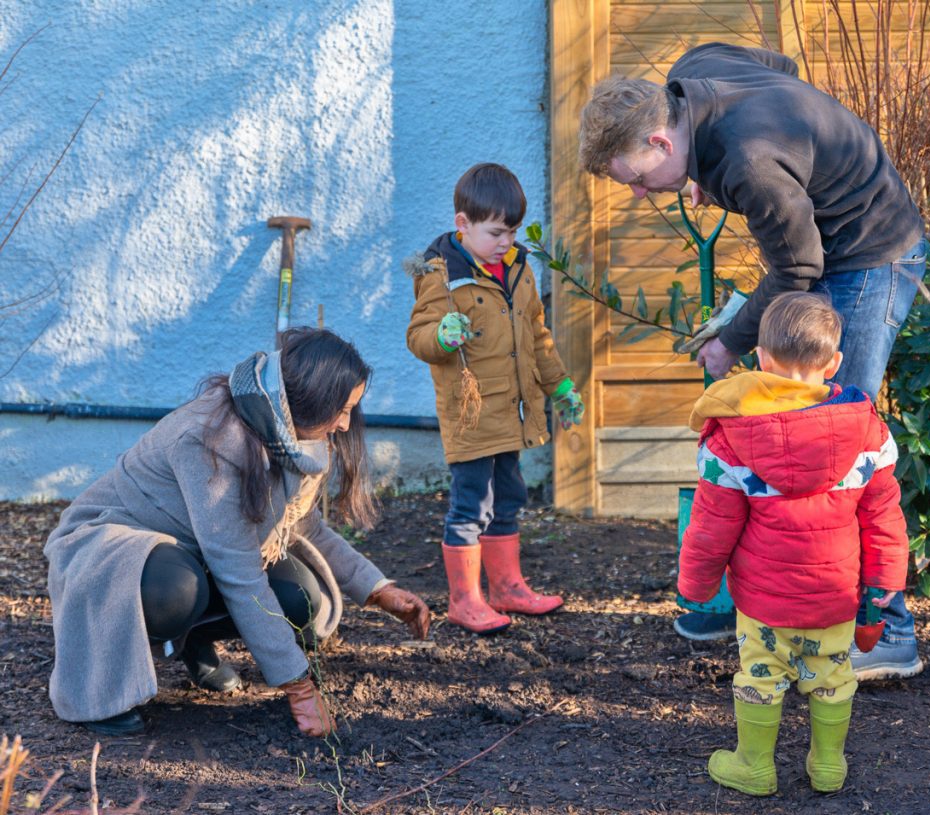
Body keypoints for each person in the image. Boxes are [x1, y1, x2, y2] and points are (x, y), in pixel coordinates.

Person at [578, 41, 926, 677]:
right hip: (822, 242)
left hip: (870, 249)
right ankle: (786, 605)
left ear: (660, 140)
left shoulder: (748, 163)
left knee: (841, 437)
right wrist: (734, 173)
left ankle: (889, 632)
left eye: (635, 181)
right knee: (799, 430)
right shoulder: (691, 72)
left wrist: (730, 339)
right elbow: (785, 73)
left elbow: (798, 265)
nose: (637, 194)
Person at [45, 328, 430, 737]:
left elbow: (303, 523)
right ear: (309, 399)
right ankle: (103, 688)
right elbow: (236, 568)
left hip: (195, 551)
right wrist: (299, 688)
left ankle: (191, 640)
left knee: (298, 597)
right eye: (341, 408)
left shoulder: (293, 435)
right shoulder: (209, 437)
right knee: (176, 590)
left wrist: (377, 588)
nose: (345, 423)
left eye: (352, 408)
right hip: (111, 549)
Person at [678, 292, 909, 795]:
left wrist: (696, 584)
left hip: (764, 602)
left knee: (760, 677)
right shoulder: (866, 432)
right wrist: (886, 578)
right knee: (832, 675)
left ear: (760, 359)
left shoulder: (733, 438)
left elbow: (712, 524)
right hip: (835, 597)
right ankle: (828, 766)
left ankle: (755, 767)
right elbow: (883, 513)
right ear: (833, 364)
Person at [405, 162, 583, 634]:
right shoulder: (443, 276)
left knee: (508, 496)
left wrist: (560, 387)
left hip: (513, 410)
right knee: (472, 505)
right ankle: (465, 600)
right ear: (462, 224)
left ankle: (507, 589)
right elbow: (419, 336)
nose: (505, 242)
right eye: (496, 232)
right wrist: (441, 337)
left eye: (512, 231)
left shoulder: (519, 270)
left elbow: (538, 338)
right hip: (473, 414)